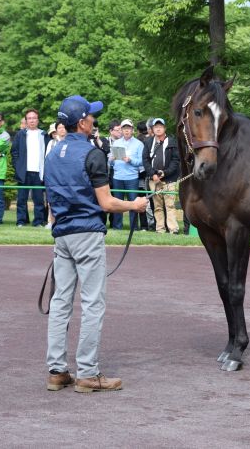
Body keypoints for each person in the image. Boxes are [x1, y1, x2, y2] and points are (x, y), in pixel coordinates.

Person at [44, 95, 148, 393]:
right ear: (81, 123)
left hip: (62, 234)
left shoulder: (52, 154)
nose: (94, 121)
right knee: (92, 302)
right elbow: (106, 202)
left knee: (61, 301)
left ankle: (57, 371)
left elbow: (51, 201)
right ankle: (88, 372)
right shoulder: (92, 154)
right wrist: (134, 205)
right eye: (91, 117)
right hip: (87, 233)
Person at [11, 108, 49, 227]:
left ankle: (38, 221)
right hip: (24, 172)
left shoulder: (44, 135)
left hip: (39, 172)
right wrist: (18, 167)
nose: (32, 120)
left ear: (38, 120)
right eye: (29, 118)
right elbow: (14, 152)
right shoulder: (20, 134)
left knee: (38, 199)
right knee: (21, 199)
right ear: (26, 120)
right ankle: (21, 221)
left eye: (34, 118)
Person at [143, 118, 180, 234]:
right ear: (152, 129)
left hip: (169, 179)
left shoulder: (172, 142)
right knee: (157, 206)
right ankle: (160, 229)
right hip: (153, 179)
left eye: (160, 126)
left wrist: (166, 173)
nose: (158, 129)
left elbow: (176, 160)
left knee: (170, 205)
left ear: (164, 128)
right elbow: (145, 160)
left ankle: (173, 229)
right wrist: (153, 174)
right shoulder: (148, 142)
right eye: (156, 127)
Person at [108, 118, 143, 230]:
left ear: (132, 130)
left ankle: (134, 227)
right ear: (121, 130)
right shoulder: (116, 143)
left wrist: (130, 160)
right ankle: (117, 227)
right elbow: (110, 163)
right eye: (124, 128)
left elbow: (141, 162)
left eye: (129, 128)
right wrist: (111, 159)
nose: (126, 131)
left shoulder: (139, 144)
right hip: (117, 177)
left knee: (133, 203)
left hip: (132, 178)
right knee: (117, 203)